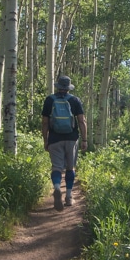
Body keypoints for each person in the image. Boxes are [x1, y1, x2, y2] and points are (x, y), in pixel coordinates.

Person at [41, 75, 87, 211]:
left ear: (58, 87)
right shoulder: (75, 100)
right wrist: (84, 139)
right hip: (71, 139)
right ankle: (68, 196)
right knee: (70, 168)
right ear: (68, 88)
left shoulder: (49, 100)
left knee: (56, 167)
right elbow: (81, 121)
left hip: (55, 139)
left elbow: (45, 122)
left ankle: (56, 187)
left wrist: (46, 140)